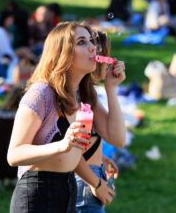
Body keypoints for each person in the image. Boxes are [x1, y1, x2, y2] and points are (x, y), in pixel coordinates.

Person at [7, 22, 126, 212]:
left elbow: (118, 139)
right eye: (81, 42)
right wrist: (62, 146)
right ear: (63, 53)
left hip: (68, 190)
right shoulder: (41, 93)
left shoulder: (83, 95)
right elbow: (14, 155)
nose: (93, 47)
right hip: (38, 192)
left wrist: (111, 88)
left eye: (91, 41)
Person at [75, 30, 120, 212]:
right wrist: (96, 183)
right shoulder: (76, 94)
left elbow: (117, 138)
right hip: (85, 179)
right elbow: (65, 146)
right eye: (107, 53)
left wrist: (100, 156)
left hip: (89, 173)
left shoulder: (85, 92)